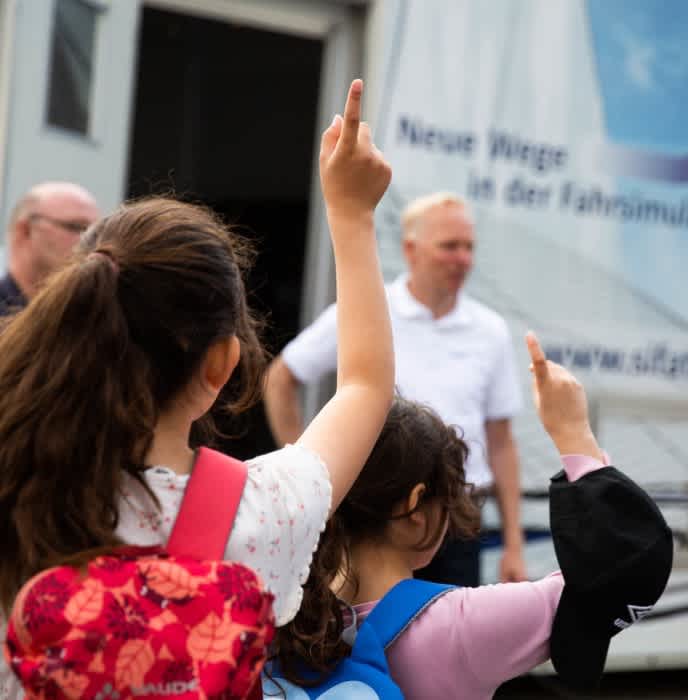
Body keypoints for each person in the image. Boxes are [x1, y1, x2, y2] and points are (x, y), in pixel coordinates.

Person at [0, 79, 393, 700]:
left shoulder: (16, 487)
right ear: (222, 365)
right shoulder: (261, 511)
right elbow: (366, 386)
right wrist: (353, 214)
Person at [270, 332, 673, 699]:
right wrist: (573, 433)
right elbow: (626, 574)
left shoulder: (278, 613)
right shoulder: (461, 626)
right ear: (416, 511)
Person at [264, 192, 525, 585]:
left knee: (448, 637)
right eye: (449, 246)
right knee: (374, 632)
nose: (463, 259)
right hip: (379, 510)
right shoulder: (370, 309)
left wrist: (514, 545)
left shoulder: (490, 330)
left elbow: (501, 442)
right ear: (411, 249)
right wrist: (308, 472)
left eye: (469, 247)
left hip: (458, 512)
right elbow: (280, 378)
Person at [0, 181, 100, 315]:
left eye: (96, 232)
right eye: (76, 227)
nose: (92, 241)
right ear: (25, 231)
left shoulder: (90, 320)